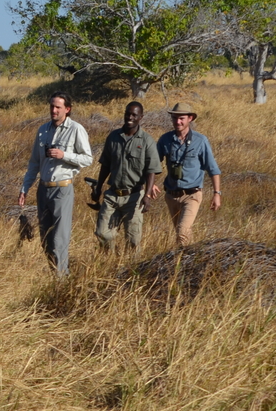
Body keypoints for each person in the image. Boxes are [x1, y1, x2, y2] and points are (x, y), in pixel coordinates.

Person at [18, 91, 92, 276]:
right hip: (43, 189)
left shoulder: (76, 129)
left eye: (58, 107)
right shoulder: (43, 130)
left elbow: (87, 158)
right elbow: (34, 162)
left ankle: (61, 280)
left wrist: (64, 155)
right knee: (45, 238)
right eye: (52, 106)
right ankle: (54, 274)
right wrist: (24, 188)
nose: (54, 110)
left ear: (67, 109)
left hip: (62, 189)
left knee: (59, 239)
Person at [91, 101, 161, 252]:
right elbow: (105, 165)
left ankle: (131, 269)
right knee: (102, 233)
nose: (130, 117)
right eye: (127, 114)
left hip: (134, 196)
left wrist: (147, 195)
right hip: (112, 195)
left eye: (134, 115)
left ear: (140, 117)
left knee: (133, 240)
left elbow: (151, 171)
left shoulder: (147, 141)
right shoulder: (113, 137)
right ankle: (109, 259)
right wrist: (98, 187)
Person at [150, 102, 222, 248]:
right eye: (175, 118)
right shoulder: (165, 139)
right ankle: (192, 258)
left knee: (182, 231)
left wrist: (217, 193)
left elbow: (213, 169)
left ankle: (181, 263)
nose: (178, 122)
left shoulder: (200, 140)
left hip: (192, 195)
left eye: (182, 118)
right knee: (181, 233)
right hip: (171, 195)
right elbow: (154, 164)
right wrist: (150, 184)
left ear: (190, 118)